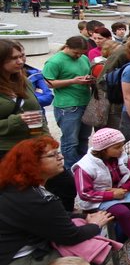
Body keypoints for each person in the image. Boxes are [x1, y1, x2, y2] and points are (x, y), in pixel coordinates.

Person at [0, 137, 114, 265]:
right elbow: (70, 236)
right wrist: (96, 225)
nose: (60, 157)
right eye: (52, 155)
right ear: (32, 163)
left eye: (58, 153)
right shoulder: (37, 198)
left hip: (7, 260)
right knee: (97, 247)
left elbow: (53, 217)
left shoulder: (17, 187)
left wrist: (83, 216)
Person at [71, 128, 130, 265]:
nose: (121, 150)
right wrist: (111, 194)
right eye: (117, 147)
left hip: (122, 193)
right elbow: (84, 193)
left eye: (121, 146)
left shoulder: (121, 157)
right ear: (103, 149)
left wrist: (123, 188)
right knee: (122, 212)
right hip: (98, 199)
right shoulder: (85, 166)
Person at [41, 36, 94, 168]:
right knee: (70, 141)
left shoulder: (84, 58)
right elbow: (47, 83)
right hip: (67, 105)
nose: (78, 56)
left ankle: (83, 167)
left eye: (81, 53)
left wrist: (89, 79)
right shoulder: (55, 61)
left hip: (85, 102)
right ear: (67, 47)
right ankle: (70, 169)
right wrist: (72, 81)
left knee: (84, 138)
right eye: (76, 53)